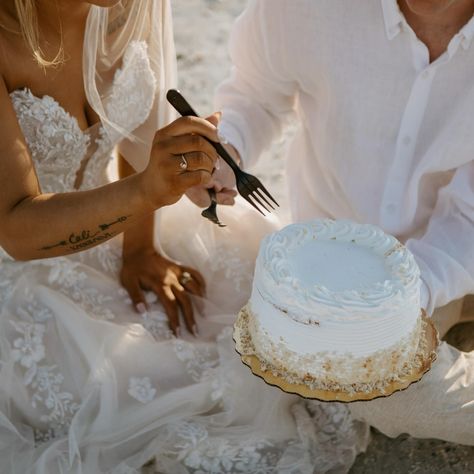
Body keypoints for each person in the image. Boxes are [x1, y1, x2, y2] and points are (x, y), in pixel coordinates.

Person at [0, 1, 369, 472]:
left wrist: (141, 246)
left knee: (278, 309)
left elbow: (140, 126)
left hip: (122, 219)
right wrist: (144, 192)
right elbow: (14, 227)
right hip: (20, 265)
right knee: (132, 386)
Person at [203, 0, 474, 446]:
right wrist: (227, 152)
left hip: (447, 252)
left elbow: (466, 222)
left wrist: (395, 303)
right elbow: (254, 94)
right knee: (372, 390)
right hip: (336, 265)